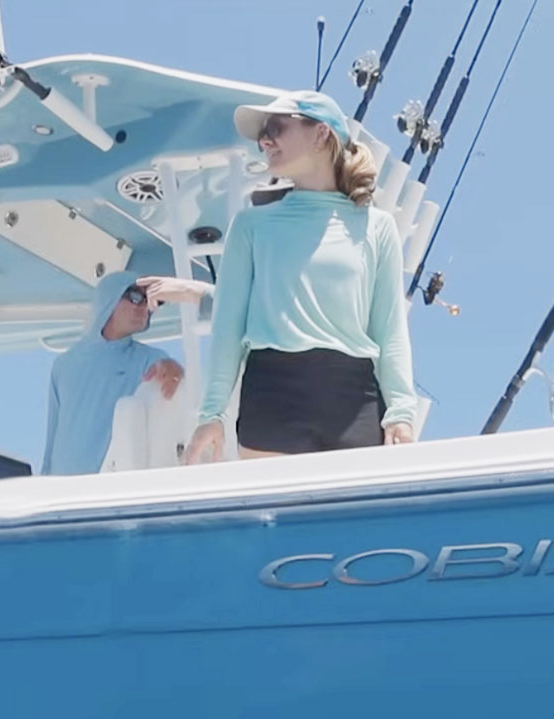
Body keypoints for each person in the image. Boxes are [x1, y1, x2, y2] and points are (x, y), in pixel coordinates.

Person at [184, 90, 416, 464]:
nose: (264, 141)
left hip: (354, 399)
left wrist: (401, 413)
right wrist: (211, 414)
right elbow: (228, 328)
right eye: (262, 135)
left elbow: (390, 330)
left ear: (321, 133)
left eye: (275, 128)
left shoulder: (378, 227)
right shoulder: (250, 226)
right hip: (273, 395)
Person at [41, 271, 207, 475]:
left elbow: (175, 379)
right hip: (62, 486)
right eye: (135, 297)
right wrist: (44, 479)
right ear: (109, 297)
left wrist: (174, 369)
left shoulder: (152, 360)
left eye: (150, 300)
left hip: (111, 482)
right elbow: (53, 432)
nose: (144, 306)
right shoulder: (64, 364)